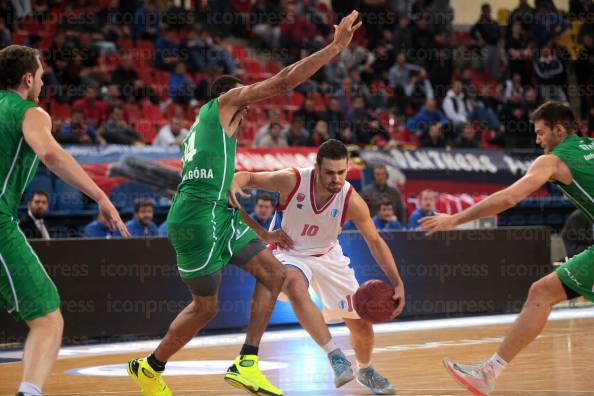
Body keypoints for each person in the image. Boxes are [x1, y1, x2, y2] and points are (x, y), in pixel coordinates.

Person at [127, 11, 363, 396]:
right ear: (227, 97)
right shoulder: (222, 104)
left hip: (218, 213)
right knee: (206, 308)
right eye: (244, 100)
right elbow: (285, 80)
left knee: (275, 274)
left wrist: (263, 231)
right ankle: (150, 368)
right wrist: (334, 48)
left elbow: (229, 195)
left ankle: (246, 363)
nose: (249, 106)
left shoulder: (216, 140)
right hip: (195, 220)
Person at [420, 101, 594, 395]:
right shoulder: (589, 145)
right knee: (543, 291)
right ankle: (488, 373)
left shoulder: (552, 160)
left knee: (541, 293)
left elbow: (509, 199)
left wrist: (456, 219)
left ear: (559, 130)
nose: (537, 140)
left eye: (541, 133)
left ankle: (488, 374)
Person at [0, 45, 128, 396]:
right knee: (47, 317)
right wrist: (100, 195)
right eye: (40, 75)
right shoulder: (31, 112)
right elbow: (50, 153)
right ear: (28, 79)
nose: (43, 81)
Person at [232, 139, 405, 394]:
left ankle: (366, 370)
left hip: (328, 255)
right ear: (317, 168)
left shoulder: (352, 200)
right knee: (293, 284)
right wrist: (260, 229)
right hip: (288, 252)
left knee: (360, 324)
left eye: (341, 172)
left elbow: (375, 241)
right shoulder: (291, 180)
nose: (336, 179)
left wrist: (398, 281)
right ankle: (334, 355)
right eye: (330, 172)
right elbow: (245, 177)